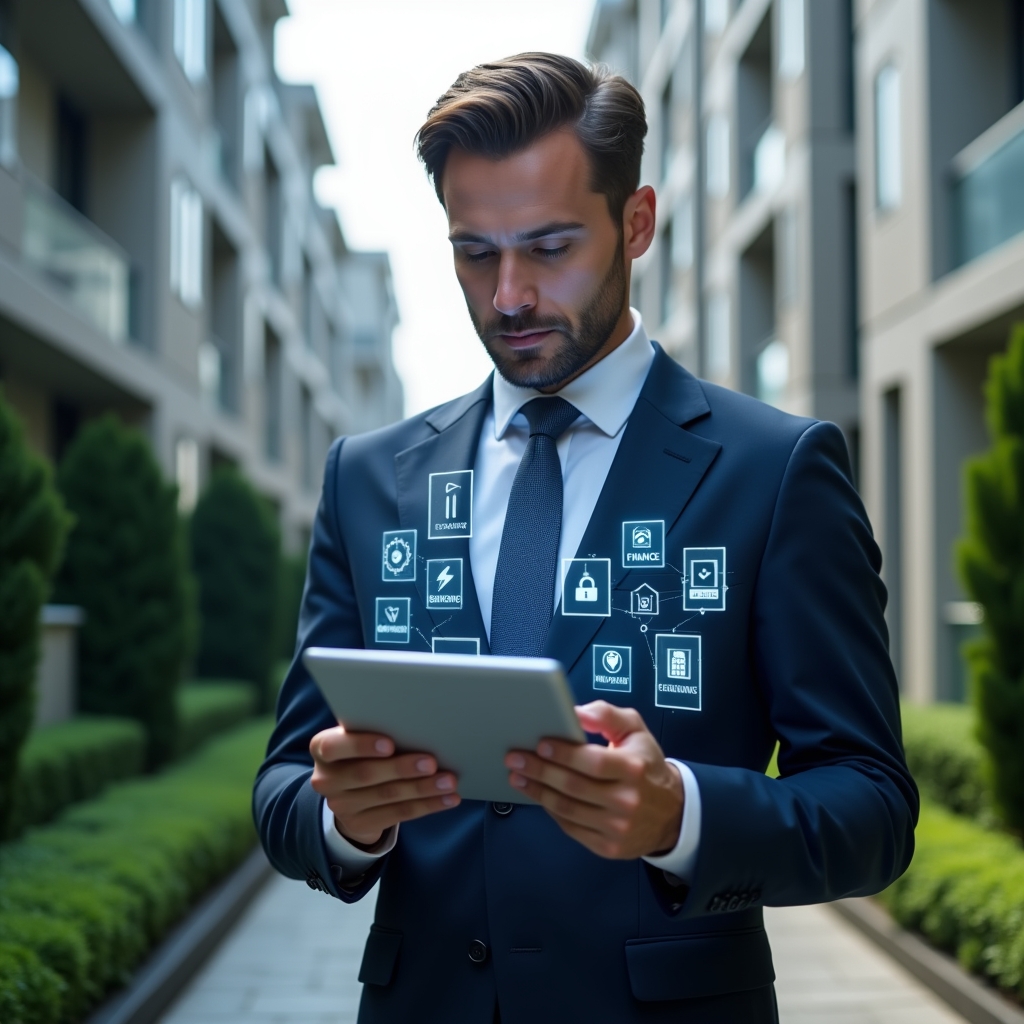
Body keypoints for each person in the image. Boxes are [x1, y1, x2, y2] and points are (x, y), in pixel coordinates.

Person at [254, 53, 918, 1024]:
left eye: (549, 246)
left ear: (635, 222)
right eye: (474, 253)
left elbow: (870, 806)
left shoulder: (771, 471)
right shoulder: (370, 477)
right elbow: (281, 788)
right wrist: (344, 821)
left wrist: (680, 816)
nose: (509, 294)